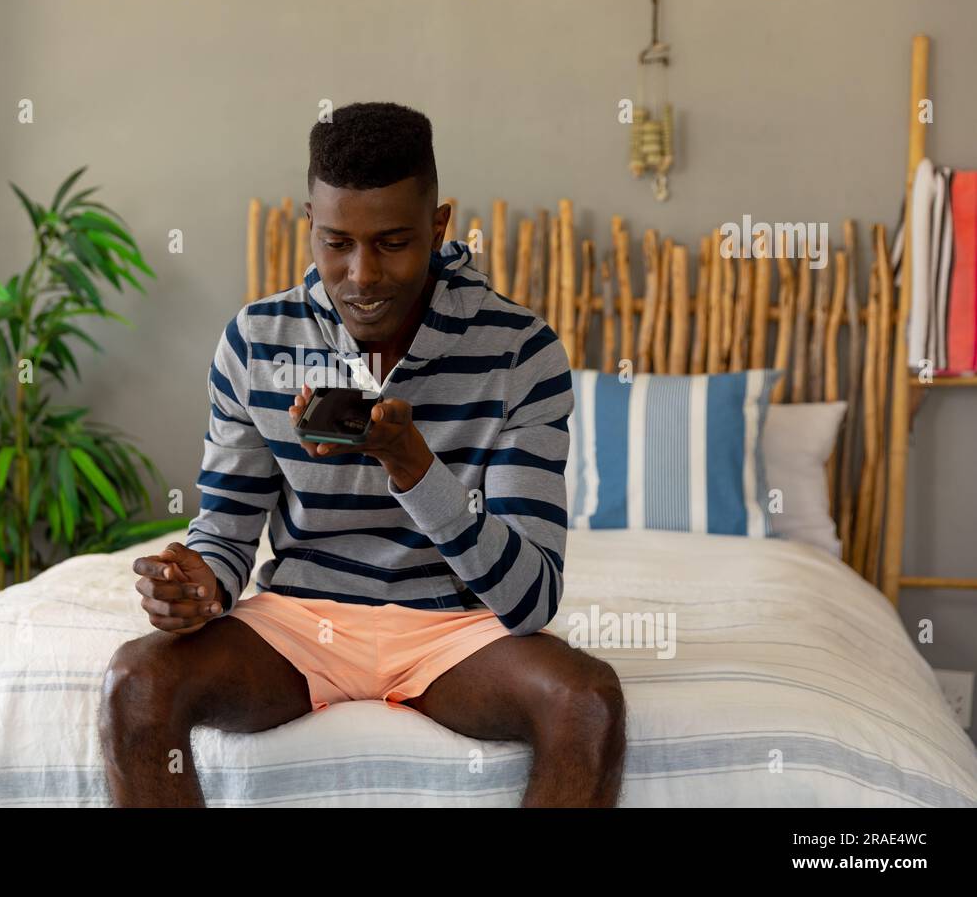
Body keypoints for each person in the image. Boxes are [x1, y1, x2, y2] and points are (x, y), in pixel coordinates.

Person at [99, 101, 625, 806]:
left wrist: (412, 465)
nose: (362, 273)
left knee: (586, 701)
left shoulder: (520, 351)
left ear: (439, 227)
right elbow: (225, 537)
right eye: (336, 241)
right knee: (136, 683)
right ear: (308, 224)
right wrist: (201, 588)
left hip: (456, 629)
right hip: (298, 622)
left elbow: (529, 600)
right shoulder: (256, 342)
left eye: (393, 241)